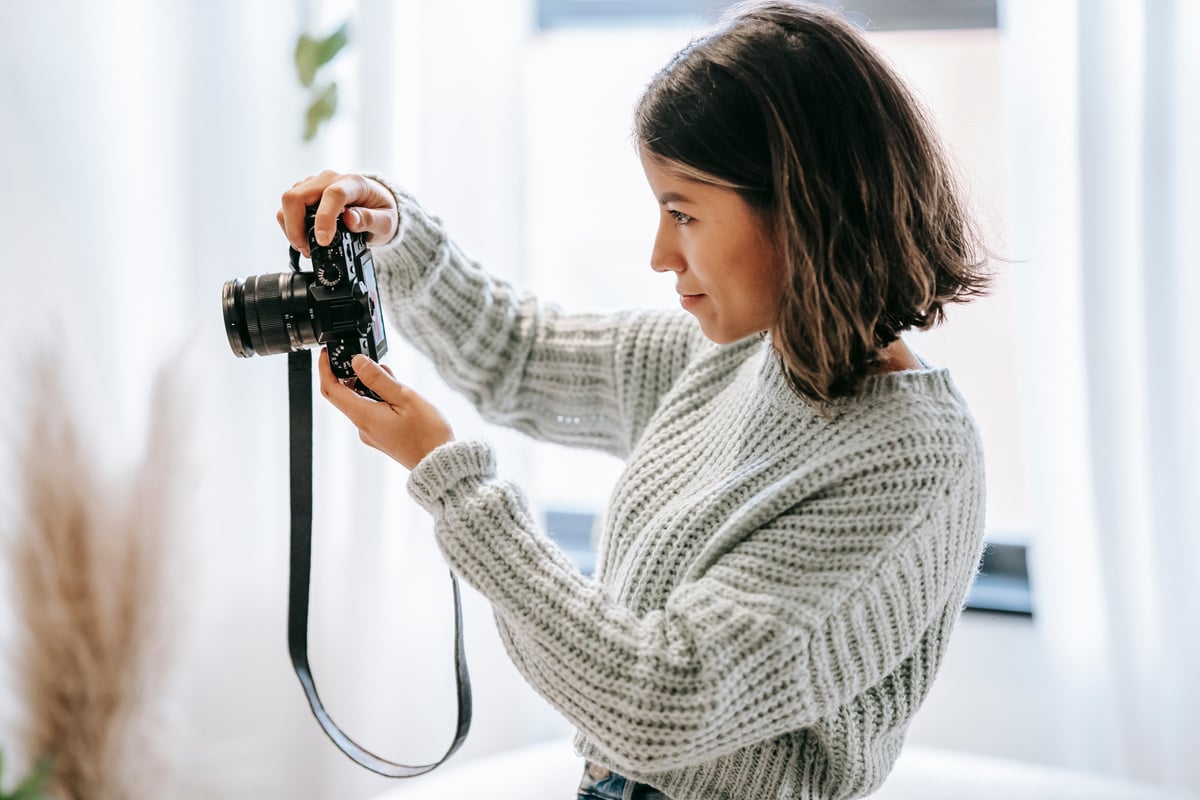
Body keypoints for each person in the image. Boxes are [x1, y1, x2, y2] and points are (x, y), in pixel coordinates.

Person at [277, 2, 992, 798]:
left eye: (683, 213)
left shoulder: (907, 460)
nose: (660, 254)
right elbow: (519, 356)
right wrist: (395, 231)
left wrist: (450, 481)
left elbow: (661, 701)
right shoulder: (739, 358)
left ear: (803, 205)